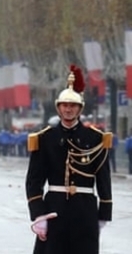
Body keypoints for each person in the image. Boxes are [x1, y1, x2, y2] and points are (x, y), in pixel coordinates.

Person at [25, 65, 112, 254]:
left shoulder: (96, 138)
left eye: (73, 106)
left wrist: (104, 213)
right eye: (64, 105)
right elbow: (34, 180)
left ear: (80, 109)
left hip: (85, 210)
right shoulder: (44, 138)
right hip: (54, 209)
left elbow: (104, 178)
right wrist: (39, 214)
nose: (68, 110)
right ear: (58, 108)